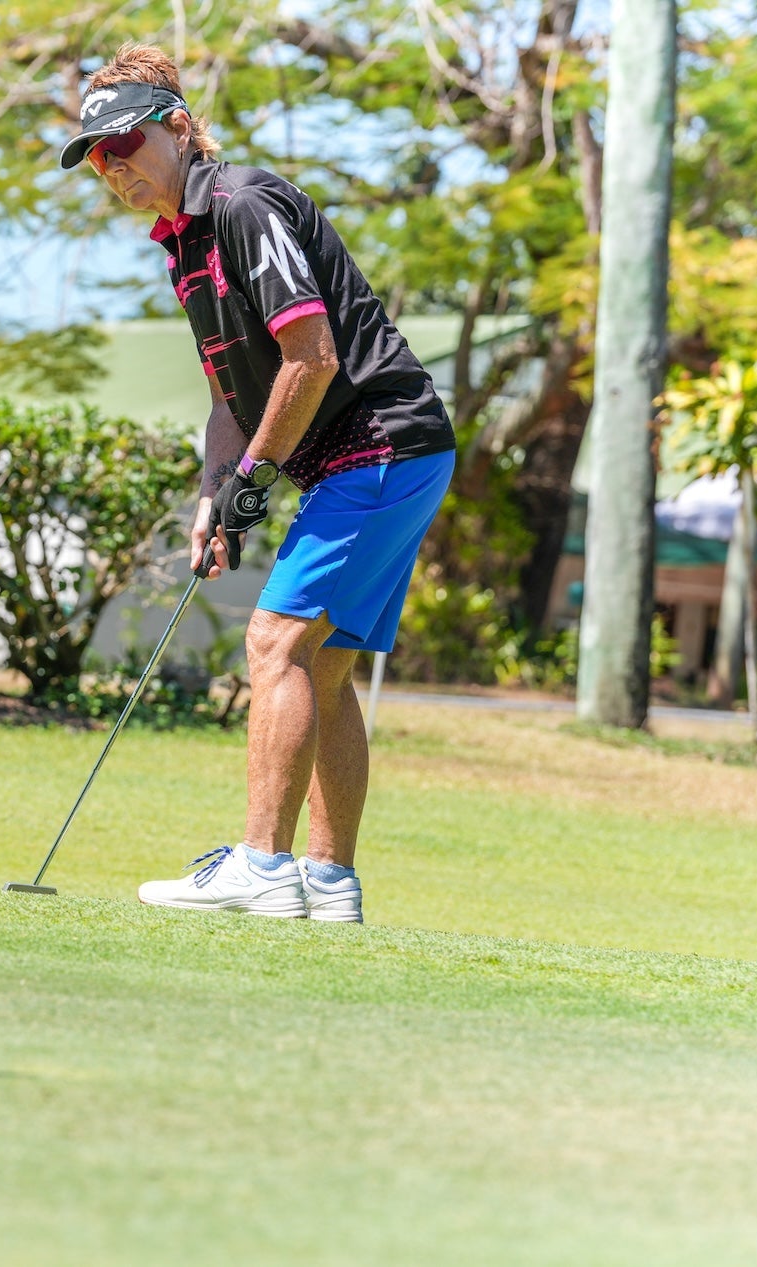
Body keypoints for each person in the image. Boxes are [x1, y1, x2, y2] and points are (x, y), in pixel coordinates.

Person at [59, 44, 457, 922]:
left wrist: (254, 479)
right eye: (95, 157)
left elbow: (309, 357)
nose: (110, 168)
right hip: (388, 453)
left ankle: (263, 865)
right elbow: (231, 386)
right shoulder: (182, 242)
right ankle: (328, 879)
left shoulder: (240, 203)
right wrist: (217, 489)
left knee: (275, 643)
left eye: (122, 145)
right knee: (324, 662)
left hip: (378, 442)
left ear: (175, 124)